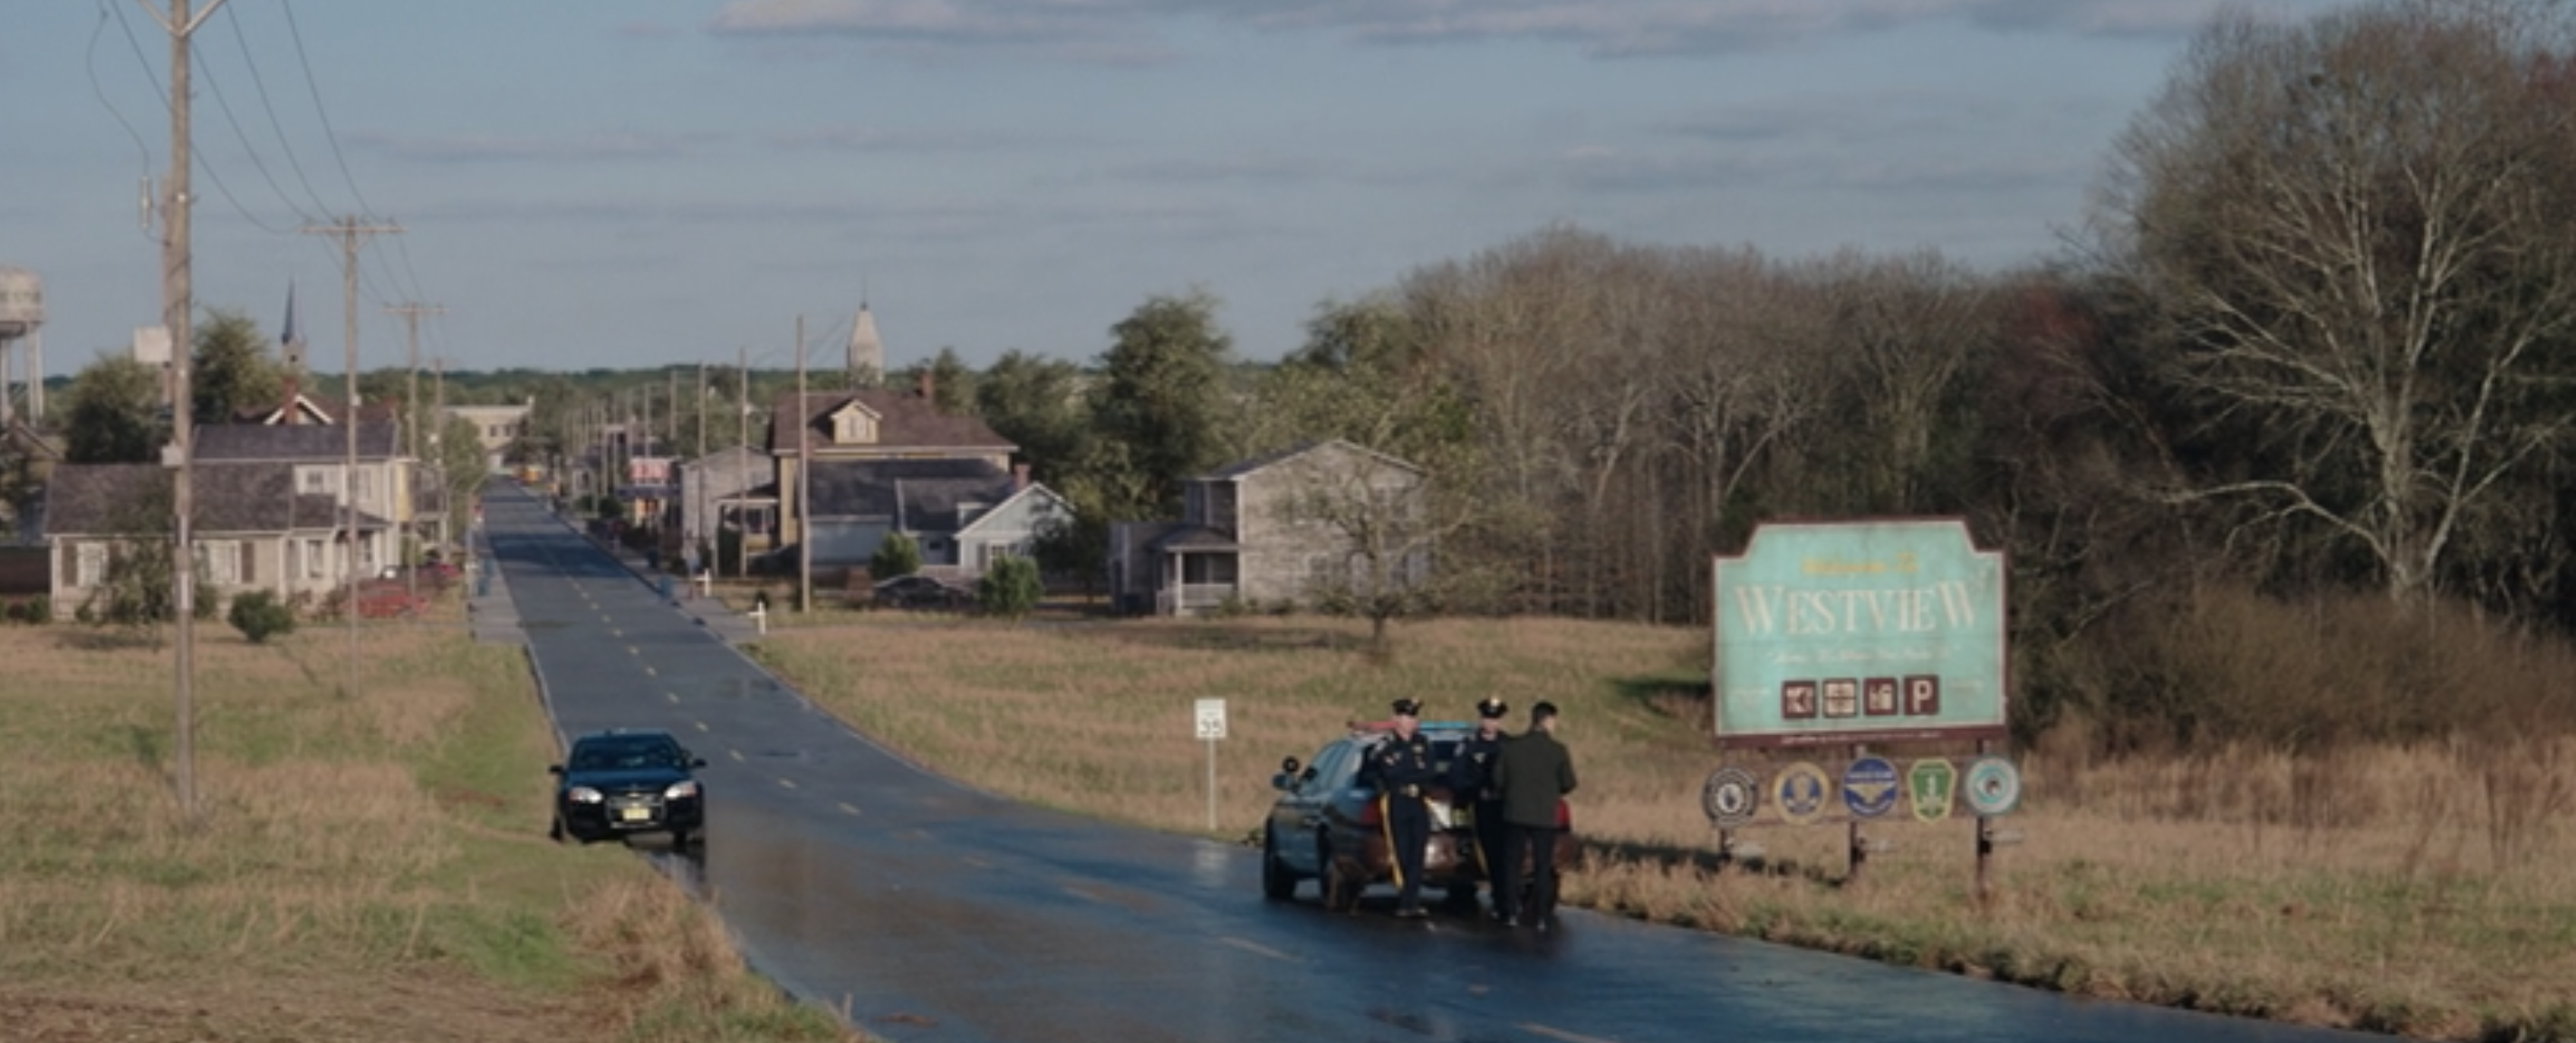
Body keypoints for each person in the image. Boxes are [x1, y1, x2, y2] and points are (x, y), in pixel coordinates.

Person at [1491, 700, 1577, 929]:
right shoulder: (1557, 751)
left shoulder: (1511, 748)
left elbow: (1497, 780)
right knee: (1542, 866)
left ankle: (1509, 911)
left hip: (1514, 813)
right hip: (1543, 816)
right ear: (1549, 721)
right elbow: (1568, 783)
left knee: (1511, 864)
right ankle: (1539, 914)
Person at [1364, 697, 1439, 919]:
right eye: (1406, 716)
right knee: (1402, 851)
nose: (1411, 721)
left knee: (1418, 852)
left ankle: (1412, 900)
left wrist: (1408, 775)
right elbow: (1389, 774)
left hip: (1418, 801)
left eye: (1413, 716)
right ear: (1395, 719)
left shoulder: (1423, 743)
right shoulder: (1386, 745)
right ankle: (1405, 899)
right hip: (1397, 802)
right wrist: (1409, 775)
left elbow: (1429, 772)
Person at [1447, 695, 1511, 914]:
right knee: (1478, 852)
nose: (1490, 723)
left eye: (1494, 719)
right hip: (1476, 805)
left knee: (1502, 854)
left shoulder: (1509, 745)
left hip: (1502, 808)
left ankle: (1502, 896)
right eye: (1486, 718)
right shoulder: (1468, 745)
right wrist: (1473, 789)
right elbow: (1456, 776)